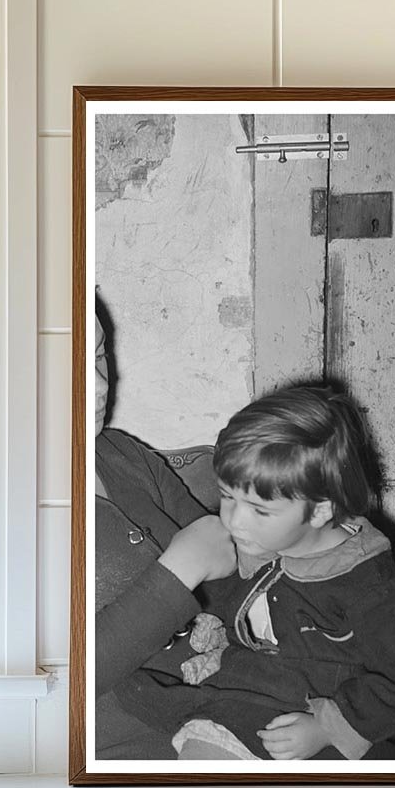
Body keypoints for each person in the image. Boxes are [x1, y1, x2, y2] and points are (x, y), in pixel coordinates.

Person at [113, 385, 395, 760]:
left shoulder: (371, 587)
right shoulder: (260, 541)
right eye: (228, 496)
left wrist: (327, 729)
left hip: (306, 716)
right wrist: (210, 622)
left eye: (259, 510)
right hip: (241, 691)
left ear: (319, 511)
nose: (233, 520)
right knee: (133, 690)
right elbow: (231, 601)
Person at [92, 315, 236, 754]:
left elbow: (228, 565)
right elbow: (52, 680)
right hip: (116, 750)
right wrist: (181, 569)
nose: (99, 386)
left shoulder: (123, 454)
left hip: (219, 710)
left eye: (99, 356)